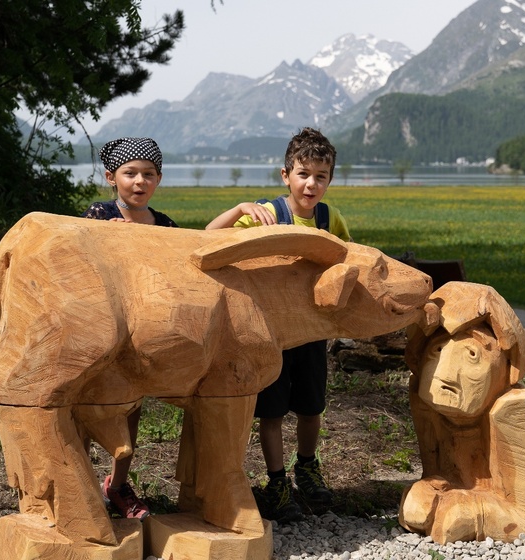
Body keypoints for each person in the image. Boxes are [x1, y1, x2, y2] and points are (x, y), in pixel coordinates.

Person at [206, 127, 350, 522]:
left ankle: (307, 466)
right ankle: (276, 481)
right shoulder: (267, 214)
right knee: (271, 412)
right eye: (303, 174)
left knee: (311, 406)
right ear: (285, 175)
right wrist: (239, 210)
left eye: (321, 176)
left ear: (330, 180)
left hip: (312, 332)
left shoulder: (328, 218)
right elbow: (206, 240)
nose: (311, 183)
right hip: (269, 335)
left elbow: (349, 263)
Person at [81, 136, 178, 520]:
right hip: (99, 330)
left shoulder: (165, 225)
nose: (139, 182)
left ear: (159, 179)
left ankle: (118, 486)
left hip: (140, 337)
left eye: (148, 174)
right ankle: (83, 486)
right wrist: (110, 239)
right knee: (86, 410)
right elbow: (80, 260)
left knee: (131, 411)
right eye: (130, 173)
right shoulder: (99, 215)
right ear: (111, 177)